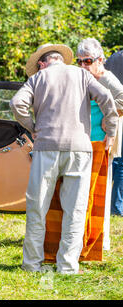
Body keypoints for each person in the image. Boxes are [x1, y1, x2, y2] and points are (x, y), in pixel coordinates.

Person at [10, 43, 119, 274]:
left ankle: (31, 264)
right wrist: (111, 130)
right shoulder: (82, 74)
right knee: (75, 209)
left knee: (37, 207)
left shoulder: (37, 79)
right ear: (61, 59)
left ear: (42, 62)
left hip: (46, 148)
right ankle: (67, 266)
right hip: (79, 149)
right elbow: (107, 98)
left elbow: (16, 103)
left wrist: (32, 126)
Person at [76, 39, 123, 252]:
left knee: (101, 194)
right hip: (82, 141)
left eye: (88, 61)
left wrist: (110, 115)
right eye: (80, 61)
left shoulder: (106, 78)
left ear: (100, 61)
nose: (84, 65)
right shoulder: (81, 78)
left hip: (103, 142)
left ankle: (100, 241)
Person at [104, 49, 123, 218]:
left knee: (115, 160)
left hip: (109, 112)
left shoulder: (113, 57)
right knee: (120, 162)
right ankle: (117, 206)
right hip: (120, 112)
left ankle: (111, 202)